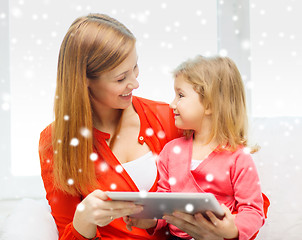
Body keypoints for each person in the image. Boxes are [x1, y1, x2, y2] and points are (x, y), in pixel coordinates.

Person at [39, 13, 224, 240]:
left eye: (135, 67)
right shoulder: (55, 141)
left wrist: (224, 228)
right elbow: (66, 232)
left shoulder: (170, 118)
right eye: (120, 78)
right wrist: (83, 221)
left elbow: (238, 186)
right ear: (84, 80)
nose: (135, 83)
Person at [124, 56, 270, 240]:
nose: (172, 104)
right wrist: (150, 220)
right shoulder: (171, 151)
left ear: (209, 104)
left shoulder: (239, 158)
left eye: (181, 95)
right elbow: (164, 204)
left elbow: (253, 210)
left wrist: (232, 230)